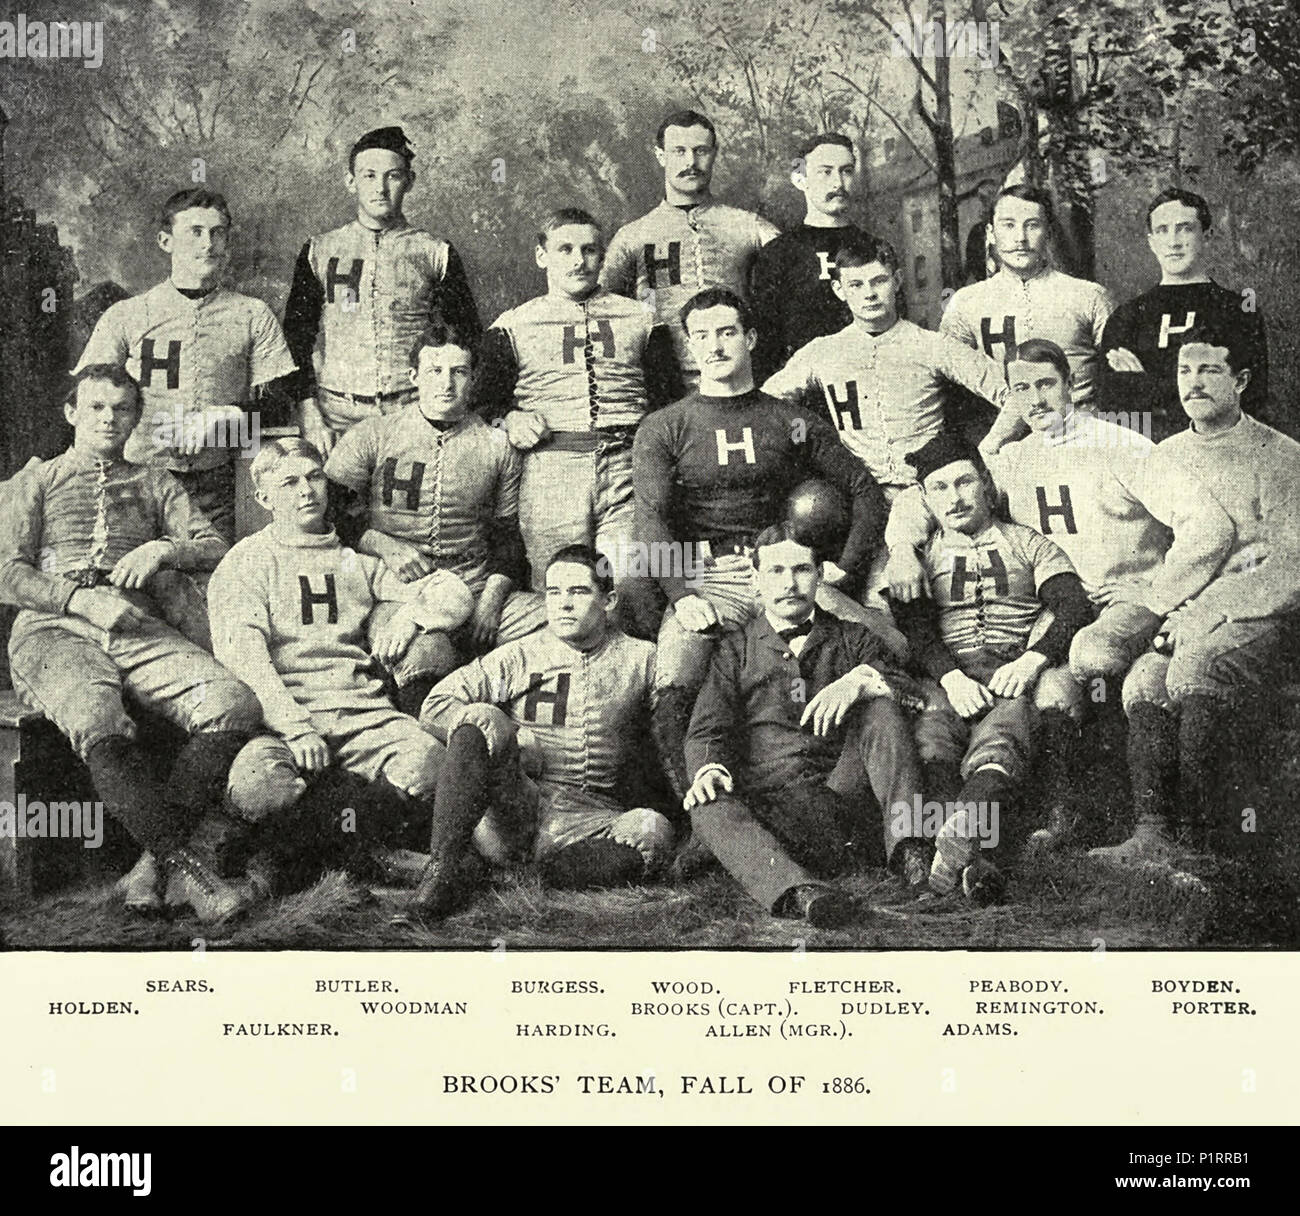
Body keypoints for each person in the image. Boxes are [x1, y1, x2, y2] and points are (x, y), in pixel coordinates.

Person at [884, 338, 1235, 850]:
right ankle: (1057, 820)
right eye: (1021, 388)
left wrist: (1156, 592)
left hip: (1123, 607)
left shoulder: (1122, 445)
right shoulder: (1011, 459)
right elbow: (932, 492)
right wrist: (899, 549)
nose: (1036, 400)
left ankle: (1146, 830)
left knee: (1111, 671)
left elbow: (1208, 526)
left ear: (1071, 386)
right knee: (1050, 688)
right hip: (1059, 612)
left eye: (1047, 384)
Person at [0, 364, 262, 922]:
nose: (109, 419)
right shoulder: (36, 480)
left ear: (136, 418)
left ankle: (151, 863)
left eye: (122, 410)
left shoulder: (155, 481)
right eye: (95, 407)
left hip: (138, 626)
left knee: (232, 703)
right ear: (72, 413)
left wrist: (167, 549)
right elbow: (7, 573)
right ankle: (196, 874)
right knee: (97, 716)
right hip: (53, 629)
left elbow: (216, 544)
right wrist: (79, 599)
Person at [631, 286, 890, 798]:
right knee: (673, 678)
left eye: (726, 332)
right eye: (700, 336)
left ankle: (843, 794)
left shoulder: (788, 419)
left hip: (785, 569)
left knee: (888, 648)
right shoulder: (666, 425)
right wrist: (682, 598)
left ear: (750, 337)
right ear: (689, 346)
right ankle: (703, 820)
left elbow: (863, 488)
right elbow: (651, 521)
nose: (715, 346)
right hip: (711, 577)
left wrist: (847, 566)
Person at [210, 438, 475, 893]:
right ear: (264, 497)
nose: (306, 491)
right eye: (289, 482)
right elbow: (244, 658)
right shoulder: (247, 561)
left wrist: (410, 617)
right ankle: (359, 850)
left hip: (363, 717)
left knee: (432, 764)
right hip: (284, 723)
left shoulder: (354, 562)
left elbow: (454, 592)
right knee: (258, 788)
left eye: (314, 478)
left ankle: (319, 852)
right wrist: (294, 726)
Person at [1090, 325, 1300, 868]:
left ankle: (1208, 843)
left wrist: (1210, 612)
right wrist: (1151, 593)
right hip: (1184, 610)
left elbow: (1292, 563)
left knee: (1193, 668)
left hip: (1255, 609)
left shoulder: (1281, 456)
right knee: (1143, 680)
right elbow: (1161, 548)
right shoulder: (1165, 454)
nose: (1194, 383)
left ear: (1242, 380)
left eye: (1209, 370)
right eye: (1185, 371)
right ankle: (1153, 836)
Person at [405, 545, 674, 924]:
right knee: (480, 716)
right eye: (554, 592)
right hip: (517, 810)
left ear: (609, 600)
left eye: (578, 592)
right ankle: (443, 872)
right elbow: (436, 704)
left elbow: (670, 728)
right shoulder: (519, 654)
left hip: (591, 819)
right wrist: (513, 731)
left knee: (654, 830)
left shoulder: (643, 657)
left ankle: (525, 879)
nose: (563, 604)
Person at [682, 524, 929, 925]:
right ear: (757, 579)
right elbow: (709, 729)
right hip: (773, 809)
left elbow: (910, 691)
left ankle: (911, 852)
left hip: (841, 798)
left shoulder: (853, 637)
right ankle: (799, 892)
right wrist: (709, 768)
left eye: (801, 570)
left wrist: (859, 681)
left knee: (881, 706)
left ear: (820, 575)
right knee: (706, 801)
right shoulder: (734, 648)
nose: (789, 583)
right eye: (776, 571)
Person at [890, 432, 1093, 903]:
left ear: (985, 484)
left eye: (964, 483)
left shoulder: (1029, 543)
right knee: (933, 737)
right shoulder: (919, 557)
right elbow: (914, 628)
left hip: (1010, 670)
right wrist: (950, 677)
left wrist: (1032, 659)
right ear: (925, 498)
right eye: (939, 489)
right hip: (947, 674)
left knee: (1004, 732)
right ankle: (972, 858)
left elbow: (1072, 605)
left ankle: (962, 838)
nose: (954, 498)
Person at [473, 207, 680, 636]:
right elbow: (481, 403)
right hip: (551, 470)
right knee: (560, 590)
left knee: (629, 580)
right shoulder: (514, 325)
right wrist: (509, 416)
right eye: (564, 249)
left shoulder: (641, 318)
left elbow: (668, 400)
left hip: (625, 465)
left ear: (602, 256)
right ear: (541, 255)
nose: (578, 260)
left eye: (589, 250)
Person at [325, 321, 544, 718]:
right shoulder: (375, 433)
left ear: (473, 378)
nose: (447, 384)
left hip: (476, 585)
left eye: (459, 372)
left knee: (568, 622)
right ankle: (434, 755)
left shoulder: (496, 444)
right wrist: (384, 545)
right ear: (414, 377)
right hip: (399, 592)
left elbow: (508, 539)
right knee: (425, 655)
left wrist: (491, 603)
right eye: (434, 372)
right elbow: (327, 511)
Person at [74, 188, 296, 542]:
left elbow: (281, 406)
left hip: (216, 485)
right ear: (166, 240)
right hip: (136, 480)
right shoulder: (126, 315)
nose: (208, 243)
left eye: (217, 232)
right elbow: (86, 402)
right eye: (195, 231)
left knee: (211, 579)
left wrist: (227, 414)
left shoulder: (253, 314)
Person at [281, 126, 483, 454]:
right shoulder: (320, 250)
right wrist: (308, 409)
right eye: (369, 175)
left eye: (392, 176)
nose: (380, 188)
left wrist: (443, 405)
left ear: (410, 181)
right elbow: (297, 337)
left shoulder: (435, 251)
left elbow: (466, 335)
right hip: (338, 415)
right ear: (351, 182)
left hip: (414, 409)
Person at [762, 235, 1006, 499]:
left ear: (898, 281)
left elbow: (1012, 393)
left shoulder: (931, 344)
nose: (869, 294)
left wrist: (990, 449)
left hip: (927, 492)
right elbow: (763, 403)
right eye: (855, 285)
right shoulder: (822, 351)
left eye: (879, 281)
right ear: (838, 289)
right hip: (860, 495)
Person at [601, 110, 780, 386]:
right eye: (679, 151)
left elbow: (794, 272)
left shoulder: (749, 226)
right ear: (661, 156)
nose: (691, 162)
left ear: (714, 153)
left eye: (700, 151)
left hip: (740, 378)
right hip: (663, 383)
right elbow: (597, 304)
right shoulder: (633, 236)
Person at [941, 184, 1116, 453]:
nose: (1020, 238)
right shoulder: (965, 303)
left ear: (1049, 232)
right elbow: (952, 390)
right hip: (1004, 452)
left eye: (1032, 225)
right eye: (1008, 225)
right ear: (990, 233)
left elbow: (1120, 380)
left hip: (1081, 446)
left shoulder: (1088, 296)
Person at [1100, 187, 1272, 441]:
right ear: (1151, 242)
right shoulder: (1127, 316)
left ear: (1207, 235)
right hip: (1146, 456)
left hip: (1219, 451)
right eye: (1162, 230)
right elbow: (1112, 409)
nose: (1173, 241)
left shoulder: (1237, 310)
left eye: (1185, 228)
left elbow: (1249, 395)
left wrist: (1144, 384)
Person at [750, 133, 879, 377]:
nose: (838, 183)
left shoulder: (875, 248)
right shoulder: (778, 254)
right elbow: (765, 347)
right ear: (800, 179)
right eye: (825, 172)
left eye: (847, 171)